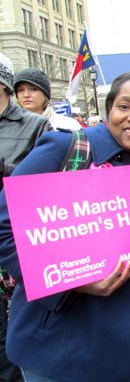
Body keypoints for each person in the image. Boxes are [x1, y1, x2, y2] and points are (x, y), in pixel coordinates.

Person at [0, 71, 130, 382]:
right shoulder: (65, 150)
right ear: (108, 112)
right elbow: (4, 231)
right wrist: (73, 282)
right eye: (124, 106)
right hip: (58, 351)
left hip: (126, 353)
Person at [0, 53, 51, 382]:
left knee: (12, 335)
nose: (26, 93)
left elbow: (45, 188)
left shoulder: (37, 126)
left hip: (13, 244)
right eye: (23, 88)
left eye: (32, 88)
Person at [14, 67, 81, 131]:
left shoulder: (68, 125)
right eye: (20, 90)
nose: (26, 95)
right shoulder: (9, 127)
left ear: (45, 94)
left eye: (33, 89)